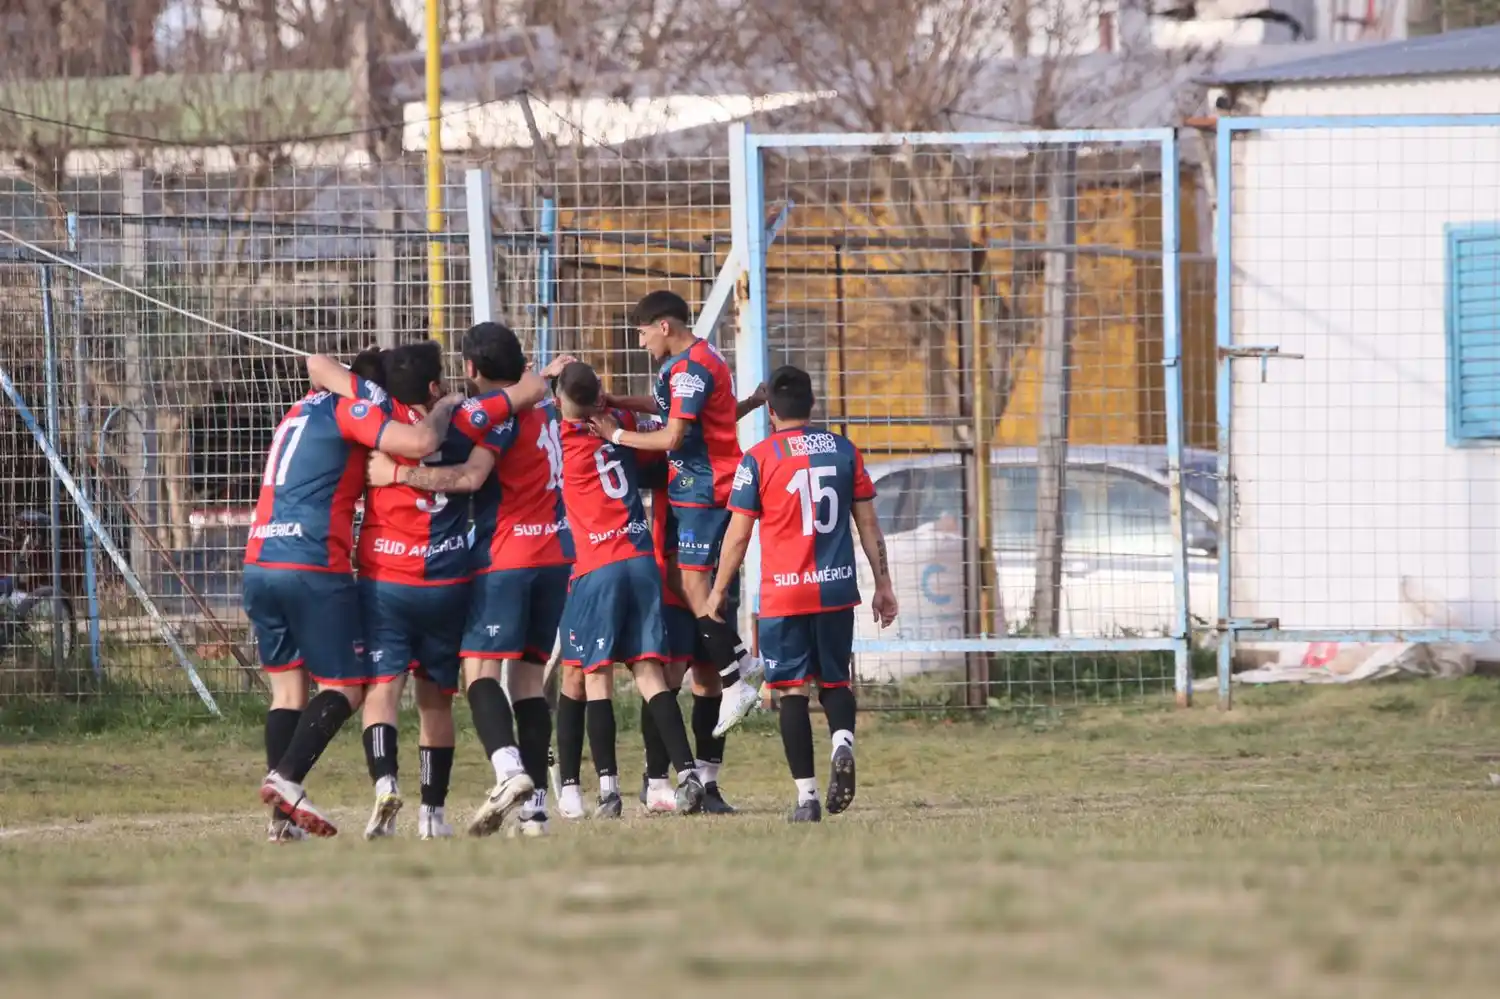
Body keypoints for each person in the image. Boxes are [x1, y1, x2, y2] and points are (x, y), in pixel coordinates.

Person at [367, 323, 573, 837]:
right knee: (527, 681)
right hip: (557, 552)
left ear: (471, 369)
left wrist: (392, 474)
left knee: (479, 673)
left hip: (509, 555)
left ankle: (508, 772)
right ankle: (536, 811)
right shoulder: (545, 406)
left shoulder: (485, 419)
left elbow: (467, 476)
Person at [249, 351, 462, 841]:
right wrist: (446, 403)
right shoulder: (354, 407)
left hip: (259, 559)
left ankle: (281, 823)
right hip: (309, 560)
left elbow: (315, 362)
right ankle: (285, 778)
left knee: (287, 692)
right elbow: (423, 440)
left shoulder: (298, 411)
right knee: (346, 687)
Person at [707, 365, 899, 823]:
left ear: (770, 412)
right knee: (835, 681)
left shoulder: (759, 458)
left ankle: (807, 799)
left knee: (791, 691)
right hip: (835, 590)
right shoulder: (843, 451)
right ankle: (842, 743)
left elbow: (737, 537)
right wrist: (884, 584)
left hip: (784, 596)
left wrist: (717, 591)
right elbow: (868, 523)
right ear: (812, 405)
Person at [591, 290, 767, 743]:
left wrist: (617, 435)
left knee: (691, 584)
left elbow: (672, 437)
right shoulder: (696, 360)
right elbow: (669, 406)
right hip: (704, 486)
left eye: (642, 332)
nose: (641, 341)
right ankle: (743, 662)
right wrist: (620, 401)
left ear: (664, 326)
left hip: (705, 488)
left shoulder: (689, 370)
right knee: (679, 577)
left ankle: (734, 677)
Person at [552, 359, 707, 816]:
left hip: (595, 567)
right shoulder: (619, 422)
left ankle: (607, 790)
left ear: (562, 401)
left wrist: (546, 374)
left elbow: (526, 406)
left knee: (593, 674)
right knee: (648, 672)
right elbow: (670, 422)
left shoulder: (557, 435)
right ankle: (688, 773)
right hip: (640, 560)